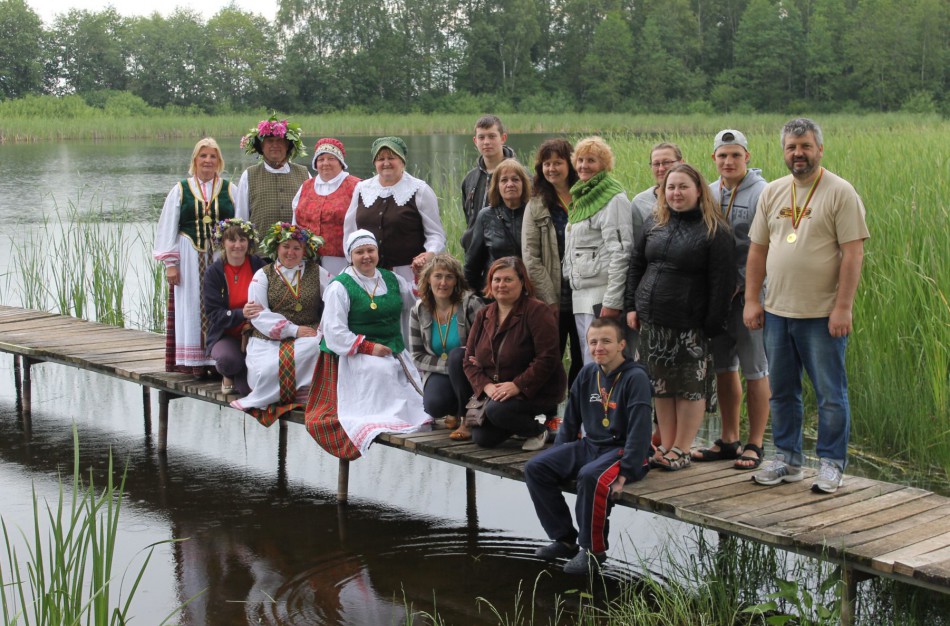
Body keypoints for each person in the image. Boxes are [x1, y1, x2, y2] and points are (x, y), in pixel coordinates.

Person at [746, 118, 869, 494]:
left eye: (805, 146)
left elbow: (853, 254)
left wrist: (843, 307)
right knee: (782, 391)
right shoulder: (774, 192)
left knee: (831, 394)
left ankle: (831, 464)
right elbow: (757, 249)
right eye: (791, 147)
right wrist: (753, 299)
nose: (798, 153)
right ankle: (787, 458)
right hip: (778, 312)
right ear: (784, 152)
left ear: (819, 149)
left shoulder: (840, 192)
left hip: (821, 315)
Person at [624, 163, 735, 471]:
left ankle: (683, 448)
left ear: (699, 190)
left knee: (688, 386)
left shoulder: (715, 230)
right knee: (660, 385)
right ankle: (668, 446)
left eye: (683, 187)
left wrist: (712, 324)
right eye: (671, 187)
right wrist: (633, 306)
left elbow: (722, 283)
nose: (676, 193)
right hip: (652, 322)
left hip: (690, 324)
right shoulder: (655, 222)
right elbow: (636, 264)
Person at [525, 318, 652, 576]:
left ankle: (593, 550)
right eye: (593, 342)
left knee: (590, 476)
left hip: (624, 451)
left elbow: (640, 430)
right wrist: (559, 454)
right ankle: (565, 539)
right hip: (591, 446)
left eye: (606, 341)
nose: (598, 347)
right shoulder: (587, 374)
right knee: (536, 467)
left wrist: (625, 473)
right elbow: (570, 421)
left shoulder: (635, 378)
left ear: (621, 345)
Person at [691, 130, 770, 470]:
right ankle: (728, 438)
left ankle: (755, 443)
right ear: (714, 159)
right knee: (724, 367)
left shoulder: (763, 193)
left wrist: (746, 288)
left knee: (755, 369)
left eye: (735, 155)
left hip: (750, 296)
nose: (728, 162)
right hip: (717, 298)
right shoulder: (708, 192)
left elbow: (766, 246)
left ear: (747, 157)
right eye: (722, 156)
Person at [322, 230, 433, 455]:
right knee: (379, 370)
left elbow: (415, 301)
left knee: (403, 376)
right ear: (350, 255)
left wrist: (422, 279)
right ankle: (386, 420)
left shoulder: (391, 279)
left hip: (394, 348)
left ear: (377, 253)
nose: (366, 256)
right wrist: (368, 347)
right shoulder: (340, 286)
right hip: (357, 352)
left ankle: (403, 418)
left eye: (370, 250)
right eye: (359, 252)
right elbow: (334, 330)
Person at [154, 137, 242, 375]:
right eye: (203, 156)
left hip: (219, 258)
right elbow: (168, 226)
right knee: (191, 302)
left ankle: (217, 359)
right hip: (188, 255)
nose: (208, 160)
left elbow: (240, 222)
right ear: (195, 159)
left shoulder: (229, 189)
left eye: (213, 156)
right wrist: (170, 264)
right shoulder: (181, 189)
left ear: (219, 161)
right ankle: (193, 363)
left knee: (218, 302)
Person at [463, 257, 567, 451]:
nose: (501, 285)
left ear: (522, 282)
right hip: (498, 392)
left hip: (536, 390)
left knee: (497, 411)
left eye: (508, 280)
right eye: (497, 279)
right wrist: (486, 386)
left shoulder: (537, 311)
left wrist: (518, 385)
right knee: (482, 437)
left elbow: (548, 357)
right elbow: (468, 361)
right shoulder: (483, 314)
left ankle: (538, 430)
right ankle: (520, 425)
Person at [229, 222, 324, 414]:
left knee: (317, 346)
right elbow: (258, 314)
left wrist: (322, 327)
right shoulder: (263, 275)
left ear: (304, 250)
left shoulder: (318, 272)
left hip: (308, 334)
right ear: (276, 248)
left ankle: (302, 392)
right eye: (286, 247)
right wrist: (293, 330)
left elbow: (334, 297)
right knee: (264, 372)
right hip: (269, 337)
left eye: (297, 248)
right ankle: (291, 392)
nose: (291, 252)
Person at [562, 137, 634, 365]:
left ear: (604, 164)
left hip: (601, 296)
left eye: (591, 160)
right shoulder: (581, 197)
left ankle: (609, 401)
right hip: (581, 294)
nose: (584, 166)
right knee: (589, 360)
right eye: (580, 160)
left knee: (603, 361)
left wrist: (612, 302)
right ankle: (594, 401)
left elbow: (621, 252)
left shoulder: (613, 198)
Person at [343, 137, 446, 286]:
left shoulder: (420, 190)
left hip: (408, 273)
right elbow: (350, 229)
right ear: (375, 163)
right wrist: (352, 260)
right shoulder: (362, 188)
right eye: (380, 159)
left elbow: (436, 234)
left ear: (402, 161)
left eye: (392, 158)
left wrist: (430, 254)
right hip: (367, 273)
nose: (386, 163)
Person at [522, 138, 583, 386]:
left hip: (584, 296)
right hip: (552, 299)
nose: (551, 169)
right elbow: (531, 257)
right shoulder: (536, 204)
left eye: (557, 162)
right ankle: (549, 415)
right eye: (546, 164)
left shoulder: (586, 198)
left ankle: (580, 417)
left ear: (570, 164)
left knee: (584, 357)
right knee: (550, 358)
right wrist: (549, 299)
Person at [409, 254, 485, 441]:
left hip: (470, 370)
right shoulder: (419, 310)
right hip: (441, 369)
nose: (443, 282)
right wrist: (449, 368)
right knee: (433, 405)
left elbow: (486, 343)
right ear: (428, 279)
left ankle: (466, 419)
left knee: (457, 356)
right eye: (438, 276)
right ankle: (453, 411)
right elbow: (417, 355)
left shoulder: (471, 304)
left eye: (449, 277)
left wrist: (458, 365)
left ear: (456, 281)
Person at [202, 218, 266, 396]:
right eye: (232, 240)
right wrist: (240, 314)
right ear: (223, 243)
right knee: (228, 361)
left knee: (248, 390)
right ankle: (228, 373)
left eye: (242, 240)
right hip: (227, 333)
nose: (237, 245)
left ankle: (245, 371)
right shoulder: (214, 272)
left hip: (256, 332)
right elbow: (214, 313)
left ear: (248, 242)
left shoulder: (259, 266)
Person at [292, 137, 361, 277]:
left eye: (331, 158)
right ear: (315, 164)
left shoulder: (356, 186)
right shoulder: (306, 186)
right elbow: (295, 221)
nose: (325, 163)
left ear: (341, 163)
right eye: (321, 159)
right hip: (307, 259)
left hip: (341, 260)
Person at [463, 158, 531, 294]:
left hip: (527, 292)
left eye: (515, 179)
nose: (510, 184)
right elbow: (472, 264)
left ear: (524, 184)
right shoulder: (486, 216)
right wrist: (477, 296)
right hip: (495, 292)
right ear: (497, 186)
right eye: (504, 180)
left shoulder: (533, 213)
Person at [237, 113, 310, 232]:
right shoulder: (249, 175)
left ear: (287, 145)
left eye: (280, 140)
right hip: (259, 249)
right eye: (270, 141)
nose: (275, 145)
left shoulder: (304, 174)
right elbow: (241, 218)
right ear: (262, 146)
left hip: (296, 248)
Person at [460, 114, 515, 251]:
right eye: (481, 137)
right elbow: (469, 218)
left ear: (503, 138)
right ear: (475, 140)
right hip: (474, 254)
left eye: (492, 136)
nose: (486, 142)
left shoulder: (518, 176)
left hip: (507, 256)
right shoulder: (469, 179)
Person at [630, 142, 683, 227]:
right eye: (656, 164)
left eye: (666, 162)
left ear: (681, 163)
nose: (661, 168)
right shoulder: (640, 203)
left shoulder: (696, 197)